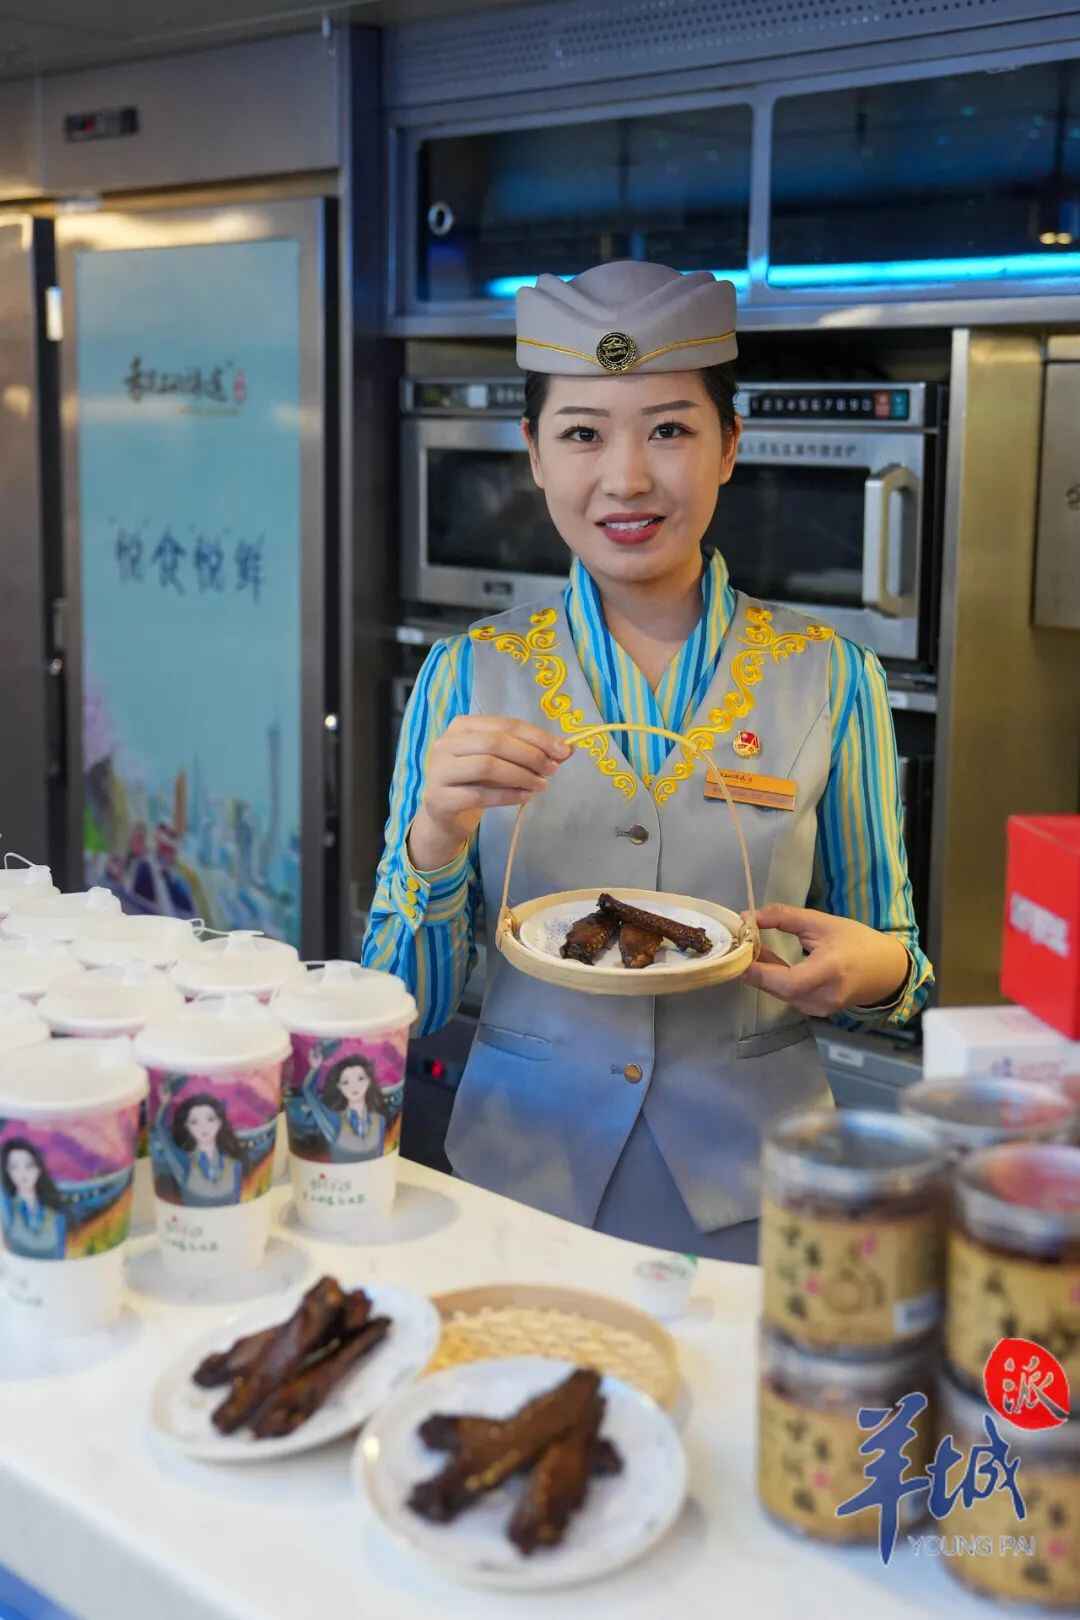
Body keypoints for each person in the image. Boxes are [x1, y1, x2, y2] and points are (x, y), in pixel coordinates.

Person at [362, 260, 934, 1262]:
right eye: (583, 434)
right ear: (534, 453)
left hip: (758, 1195)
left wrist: (874, 970)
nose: (626, 478)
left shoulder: (832, 676)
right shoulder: (466, 676)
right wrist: (434, 838)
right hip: (521, 1184)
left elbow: (899, 961)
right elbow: (394, 1005)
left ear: (730, 446)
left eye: (669, 430)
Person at [151, 1093, 245, 1208]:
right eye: (194, 1122)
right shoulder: (185, 1162)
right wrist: (165, 1105)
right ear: (186, 1126)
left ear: (219, 1122)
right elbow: (162, 1132)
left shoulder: (234, 1164)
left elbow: (237, 1200)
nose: (203, 1127)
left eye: (210, 1119)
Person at [301, 1054, 392, 1163]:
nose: (354, 1086)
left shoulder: (380, 1120)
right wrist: (314, 1069)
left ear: (369, 1081)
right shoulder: (334, 1121)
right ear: (339, 1086)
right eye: (346, 1082)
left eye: (360, 1079)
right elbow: (308, 1092)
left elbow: (380, 1157)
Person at [0, 1138, 67, 1260]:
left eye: (29, 1165)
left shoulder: (56, 1212)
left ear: (39, 1168)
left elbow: (61, 1253)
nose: (22, 1173)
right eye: (14, 1167)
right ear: (7, 1171)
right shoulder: (8, 1209)